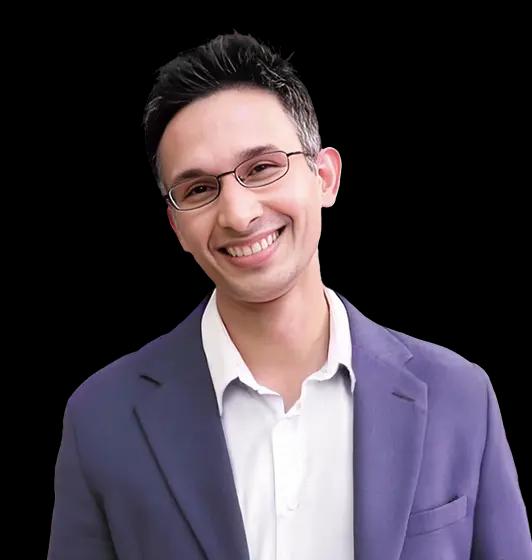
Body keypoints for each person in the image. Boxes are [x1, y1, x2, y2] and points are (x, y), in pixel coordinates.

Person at [48, 32, 531, 560]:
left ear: (325, 177)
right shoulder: (102, 418)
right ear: (176, 226)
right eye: (199, 189)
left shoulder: (459, 396)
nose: (238, 214)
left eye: (261, 168)